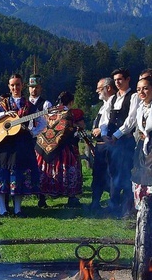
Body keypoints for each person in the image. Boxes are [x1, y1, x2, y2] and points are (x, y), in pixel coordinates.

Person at [0, 73, 45, 217]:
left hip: (21, 145)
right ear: (9, 87)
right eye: (12, 85)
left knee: (19, 176)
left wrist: (32, 132)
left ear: (22, 85)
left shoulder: (29, 105)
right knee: (1, 175)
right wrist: (4, 115)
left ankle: (18, 209)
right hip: (3, 146)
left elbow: (43, 122)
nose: (15, 87)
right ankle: (2, 209)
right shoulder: (4, 104)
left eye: (18, 84)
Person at [35, 91, 84, 207]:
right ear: (71, 102)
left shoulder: (49, 112)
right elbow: (76, 127)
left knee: (46, 170)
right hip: (64, 147)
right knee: (68, 168)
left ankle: (42, 198)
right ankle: (71, 197)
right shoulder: (69, 113)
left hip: (44, 147)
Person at [104, 68, 138, 218]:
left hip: (125, 141)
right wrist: (105, 135)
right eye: (116, 80)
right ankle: (113, 205)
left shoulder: (134, 97)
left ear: (128, 79)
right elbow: (105, 119)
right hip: (112, 142)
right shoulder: (112, 99)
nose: (117, 82)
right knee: (113, 173)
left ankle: (126, 209)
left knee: (125, 174)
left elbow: (131, 120)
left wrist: (116, 136)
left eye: (120, 79)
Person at [90, 77, 115, 213]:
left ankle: (113, 204)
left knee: (110, 174)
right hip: (100, 145)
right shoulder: (104, 105)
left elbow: (112, 122)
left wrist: (101, 130)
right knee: (98, 174)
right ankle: (95, 203)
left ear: (108, 88)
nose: (97, 91)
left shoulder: (114, 103)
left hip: (109, 144)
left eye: (100, 89)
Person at [28, 75, 53, 208]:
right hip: (26, 139)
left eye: (36, 87)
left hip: (41, 139)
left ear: (40, 88)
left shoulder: (46, 104)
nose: (34, 90)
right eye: (32, 87)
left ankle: (42, 196)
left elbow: (50, 123)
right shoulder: (24, 103)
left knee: (40, 168)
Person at [131, 77, 152, 209]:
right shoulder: (140, 108)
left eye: (145, 88)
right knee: (139, 174)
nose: (141, 92)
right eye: (138, 89)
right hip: (142, 146)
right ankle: (142, 211)